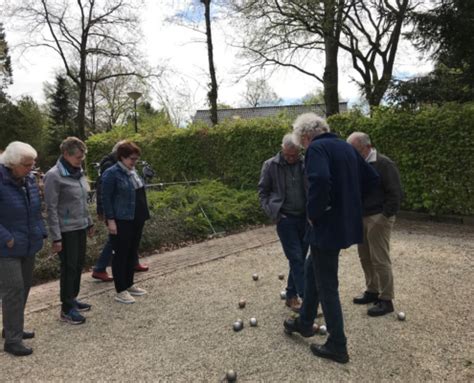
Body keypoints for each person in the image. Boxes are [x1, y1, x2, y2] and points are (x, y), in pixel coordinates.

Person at [283, 113, 379, 364]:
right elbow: (371, 179)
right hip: (341, 225)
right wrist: (349, 205)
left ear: (305, 136)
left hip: (325, 227)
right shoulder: (345, 147)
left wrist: (315, 213)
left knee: (327, 285)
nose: (303, 147)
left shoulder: (317, 148)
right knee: (310, 267)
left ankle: (338, 344)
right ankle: (305, 322)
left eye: (302, 142)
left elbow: (321, 180)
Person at [347, 132, 403, 316]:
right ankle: (372, 290)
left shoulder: (384, 164)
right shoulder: (358, 164)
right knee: (365, 256)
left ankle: (386, 300)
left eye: (356, 151)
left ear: (367, 147)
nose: (353, 155)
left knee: (380, 259)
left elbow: (395, 193)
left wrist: (384, 216)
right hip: (361, 216)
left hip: (378, 216)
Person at [0, 142, 47, 356]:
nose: (31, 168)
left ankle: (12, 327)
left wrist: (41, 231)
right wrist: (6, 238)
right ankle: (12, 340)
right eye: (27, 164)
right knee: (14, 290)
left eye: (32, 164)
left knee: (25, 286)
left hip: (28, 242)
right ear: (13, 163)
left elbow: (35, 209)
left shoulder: (27, 179)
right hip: (6, 248)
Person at [44, 137, 94, 325]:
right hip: (66, 230)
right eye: (78, 158)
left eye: (82, 158)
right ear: (66, 154)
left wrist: (88, 222)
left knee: (78, 265)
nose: (80, 161)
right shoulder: (54, 175)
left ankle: (72, 298)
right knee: (69, 268)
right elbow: (51, 208)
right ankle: (66, 308)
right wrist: (56, 238)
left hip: (79, 226)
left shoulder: (78, 172)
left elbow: (82, 201)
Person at [258, 133, 309, 311]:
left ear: (299, 152)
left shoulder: (305, 163)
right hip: (285, 219)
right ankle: (306, 299)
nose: (291, 158)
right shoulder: (270, 165)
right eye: (287, 155)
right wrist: (273, 212)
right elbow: (263, 192)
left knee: (300, 259)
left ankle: (291, 295)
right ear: (282, 149)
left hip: (305, 218)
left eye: (294, 155)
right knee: (295, 257)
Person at [91, 141, 149, 282]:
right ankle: (101, 268)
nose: (135, 162)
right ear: (122, 156)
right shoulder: (111, 168)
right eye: (132, 158)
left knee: (129, 244)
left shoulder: (130, 169)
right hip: (121, 215)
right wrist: (107, 215)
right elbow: (105, 192)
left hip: (135, 214)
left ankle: (131, 268)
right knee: (116, 243)